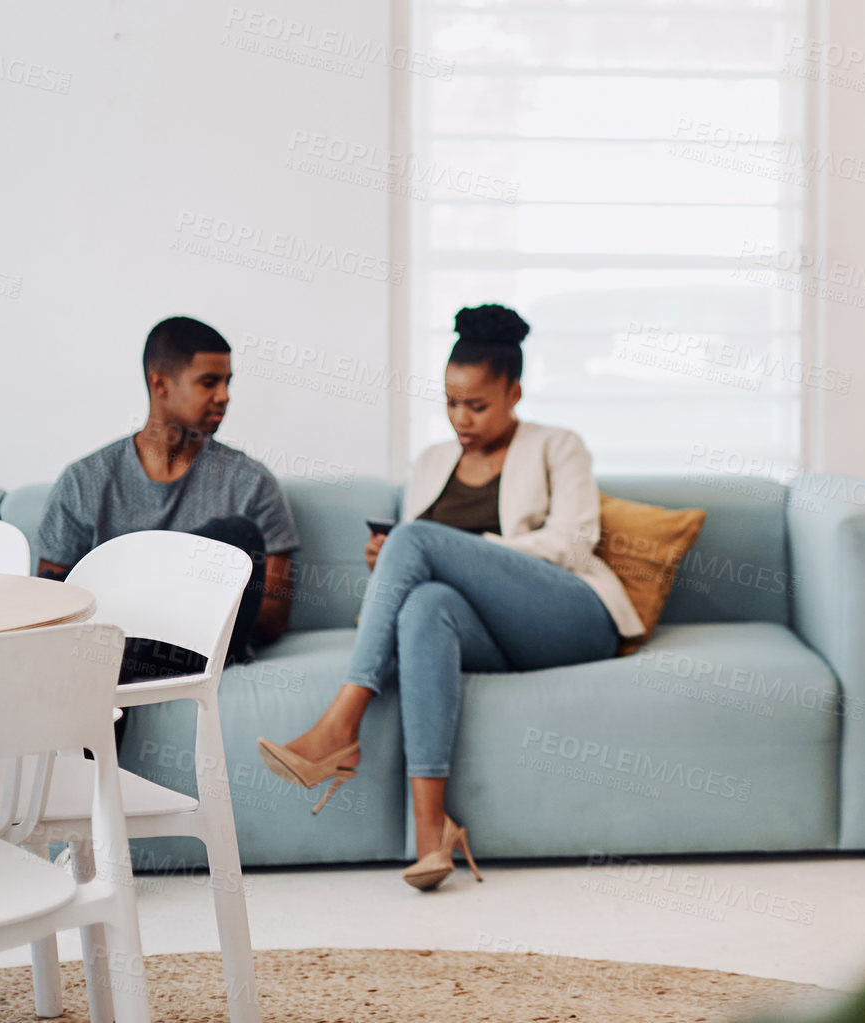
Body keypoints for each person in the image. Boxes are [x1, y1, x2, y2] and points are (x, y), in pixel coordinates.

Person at [256, 304, 645, 891]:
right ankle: (431, 834)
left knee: (415, 541)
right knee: (422, 605)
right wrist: (391, 561)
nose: (461, 418)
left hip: (570, 615)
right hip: (489, 633)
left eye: (477, 404)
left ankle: (340, 726)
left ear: (514, 391)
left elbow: (573, 541)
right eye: (450, 403)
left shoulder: (558, 445)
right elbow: (422, 566)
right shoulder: (433, 461)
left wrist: (462, 548)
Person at [37, 315, 299, 683]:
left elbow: (273, 618)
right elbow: (52, 608)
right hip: (115, 649)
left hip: (209, 649)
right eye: (209, 382)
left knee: (238, 534)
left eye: (227, 382)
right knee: (98, 632)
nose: (224, 396)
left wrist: (173, 595)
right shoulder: (84, 481)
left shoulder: (251, 482)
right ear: (159, 384)